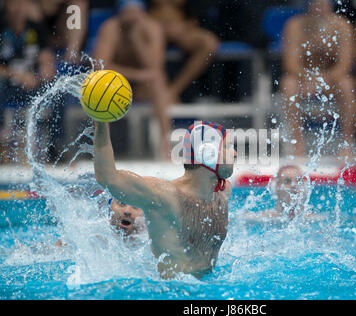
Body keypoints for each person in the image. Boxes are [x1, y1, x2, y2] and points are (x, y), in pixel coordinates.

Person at [94, 119, 236, 279]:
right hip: (172, 292)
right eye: (228, 147)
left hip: (213, 289)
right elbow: (108, 178)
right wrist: (101, 125)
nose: (235, 153)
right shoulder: (163, 197)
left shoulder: (223, 193)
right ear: (208, 153)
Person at [93, 0, 172, 159]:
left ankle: (166, 147)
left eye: (135, 13)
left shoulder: (152, 28)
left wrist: (137, 39)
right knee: (97, 83)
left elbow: (155, 67)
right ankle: (100, 150)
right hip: (116, 84)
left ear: (143, 13)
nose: (131, 18)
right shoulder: (111, 28)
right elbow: (99, 66)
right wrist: (138, 75)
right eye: (127, 13)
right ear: (120, 14)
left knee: (158, 82)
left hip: (143, 87)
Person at [280, 0, 356, 160]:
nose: (319, 7)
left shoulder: (342, 26)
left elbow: (344, 65)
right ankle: (298, 144)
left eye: (323, 3)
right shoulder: (295, 26)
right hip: (304, 81)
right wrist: (310, 79)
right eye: (316, 3)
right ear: (308, 6)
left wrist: (321, 80)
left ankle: (346, 143)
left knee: (347, 84)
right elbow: (290, 64)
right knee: (288, 84)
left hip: (331, 81)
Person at [0, 0, 56, 162]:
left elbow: (46, 56)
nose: (18, 9)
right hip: (6, 83)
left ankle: (54, 145)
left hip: (32, 82)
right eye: (13, 4)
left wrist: (46, 68)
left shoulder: (36, 28)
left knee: (56, 89)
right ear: (6, 7)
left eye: (21, 4)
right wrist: (15, 74)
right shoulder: (1, 28)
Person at [148, 0, 219, 104]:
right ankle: (159, 89)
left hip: (181, 29)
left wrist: (183, 27)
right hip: (149, 30)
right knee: (144, 37)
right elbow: (134, 12)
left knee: (208, 43)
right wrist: (157, 28)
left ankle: (172, 91)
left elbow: (201, 15)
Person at [244, 164, 321, 222]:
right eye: (287, 181)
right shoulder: (257, 218)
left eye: (299, 181)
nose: (294, 186)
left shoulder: (316, 220)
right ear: (275, 188)